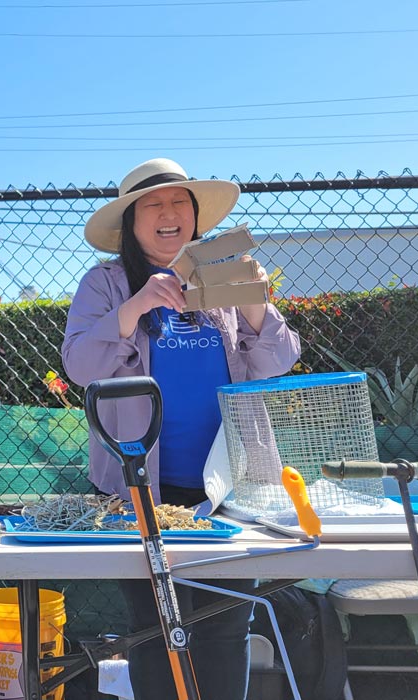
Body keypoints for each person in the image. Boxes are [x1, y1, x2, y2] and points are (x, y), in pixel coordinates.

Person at [61, 158, 300, 700]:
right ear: (130, 222)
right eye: (153, 204)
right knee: (156, 630)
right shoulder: (105, 283)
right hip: (139, 490)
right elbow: (80, 365)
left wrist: (256, 305)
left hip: (231, 488)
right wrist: (137, 304)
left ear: (194, 217)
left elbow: (278, 359)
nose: (168, 214)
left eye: (179, 203)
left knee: (227, 624)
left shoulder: (225, 275)